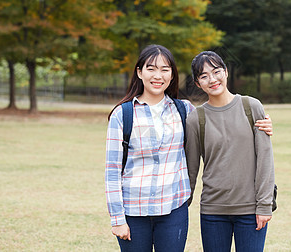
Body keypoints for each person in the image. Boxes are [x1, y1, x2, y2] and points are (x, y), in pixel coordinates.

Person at [105, 45, 273, 252]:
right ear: (139, 72)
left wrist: (266, 123)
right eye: (151, 69)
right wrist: (117, 218)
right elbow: (113, 171)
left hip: (174, 210)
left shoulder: (184, 110)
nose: (158, 75)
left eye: (165, 69)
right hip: (136, 208)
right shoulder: (125, 115)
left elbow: (255, 148)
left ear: (172, 75)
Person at [185, 51, 275, 252]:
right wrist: (183, 205)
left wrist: (264, 205)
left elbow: (265, 160)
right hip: (213, 211)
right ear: (198, 83)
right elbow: (191, 169)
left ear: (226, 72)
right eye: (204, 76)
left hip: (250, 210)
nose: (212, 79)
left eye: (216, 71)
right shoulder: (195, 119)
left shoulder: (251, 106)